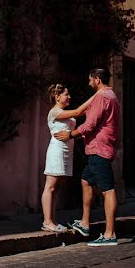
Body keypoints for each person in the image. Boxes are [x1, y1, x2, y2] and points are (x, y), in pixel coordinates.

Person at [54, 68, 121, 246]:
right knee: (86, 180)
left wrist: (70, 135)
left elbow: (90, 125)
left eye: (90, 79)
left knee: (108, 190)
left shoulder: (102, 97)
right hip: (96, 149)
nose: (89, 82)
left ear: (97, 79)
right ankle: (84, 223)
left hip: (100, 148)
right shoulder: (111, 95)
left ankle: (110, 234)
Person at [41, 84, 96, 233]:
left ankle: (52, 220)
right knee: (50, 186)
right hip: (56, 151)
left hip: (66, 151)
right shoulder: (54, 112)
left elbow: (75, 121)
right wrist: (97, 96)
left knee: (57, 187)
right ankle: (47, 221)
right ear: (57, 97)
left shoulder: (64, 112)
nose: (69, 97)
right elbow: (79, 111)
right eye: (66, 94)